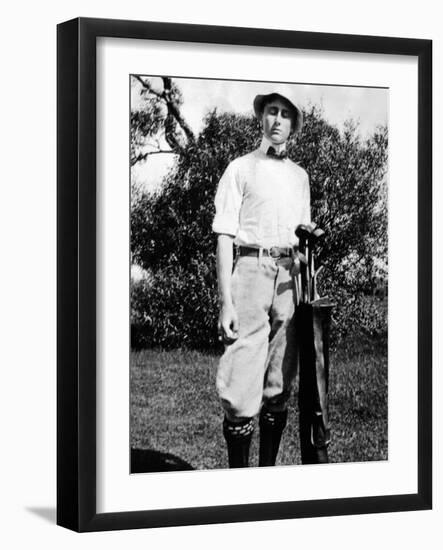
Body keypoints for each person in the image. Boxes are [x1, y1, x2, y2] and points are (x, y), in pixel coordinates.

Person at [212, 89, 311, 468]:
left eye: (286, 114)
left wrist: (300, 262)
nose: (277, 120)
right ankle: (239, 477)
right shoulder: (241, 168)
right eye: (272, 111)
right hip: (250, 272)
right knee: (240, 384)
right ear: (262, 117)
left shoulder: (300, 178)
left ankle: (266, 475)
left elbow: (301, 235)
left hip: (289, 277)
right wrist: (227, 302)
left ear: (293, 124)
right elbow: (224, 234)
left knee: (279, 382)